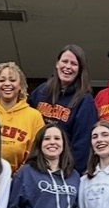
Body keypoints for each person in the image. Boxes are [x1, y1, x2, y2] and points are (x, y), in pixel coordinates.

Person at [28, 44, 98, 174]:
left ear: (80, 69)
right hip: (35, 165)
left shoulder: (85, 100)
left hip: (63, 170)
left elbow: (83, 144)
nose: (68, 67)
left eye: (74, 64)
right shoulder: (41, 91)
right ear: (57, 63)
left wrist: (70, 173)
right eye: (64, 61)